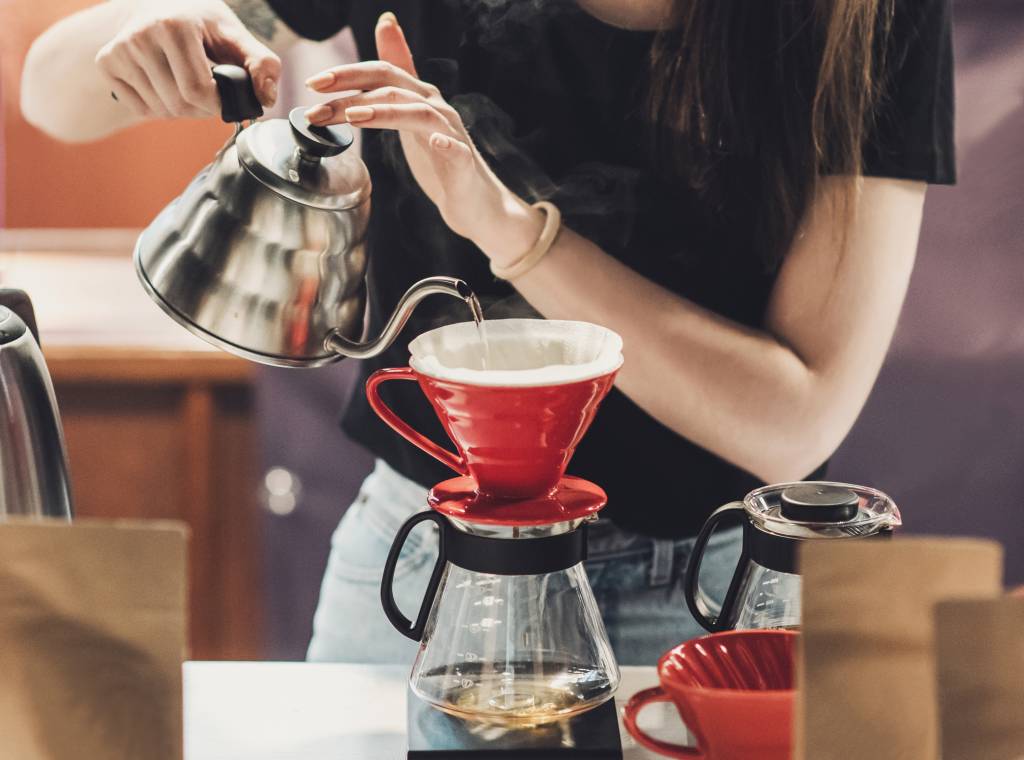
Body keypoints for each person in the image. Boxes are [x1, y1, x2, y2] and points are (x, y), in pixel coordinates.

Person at [22, 0, 954, 665]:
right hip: (425, 555)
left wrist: (514, 230)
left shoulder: (865, 18)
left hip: (711, 592)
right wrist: (145, 28)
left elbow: (793, 418)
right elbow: (49, 93)